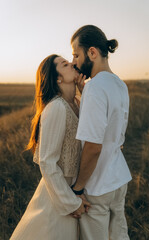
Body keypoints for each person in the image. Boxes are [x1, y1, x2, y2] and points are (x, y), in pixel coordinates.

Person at [10, 54, 90, 240]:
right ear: (58, 78)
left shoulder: (77, 103)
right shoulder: (56, 108)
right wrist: (71, 202)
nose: (72, 63)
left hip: (76, 189)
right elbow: (47, 162)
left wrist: (83, 91)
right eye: (65, 64)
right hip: (58, 197)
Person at [70, 25, 132, 240]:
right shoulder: (119, 84)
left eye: (76, 54)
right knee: (119, 236)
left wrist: (77, 189)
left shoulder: (95, 87)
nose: (74, 62)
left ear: (92, 52)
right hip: (118, 178)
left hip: (98, 186)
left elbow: (94, 146)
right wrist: (84, 93)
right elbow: (112, 131)